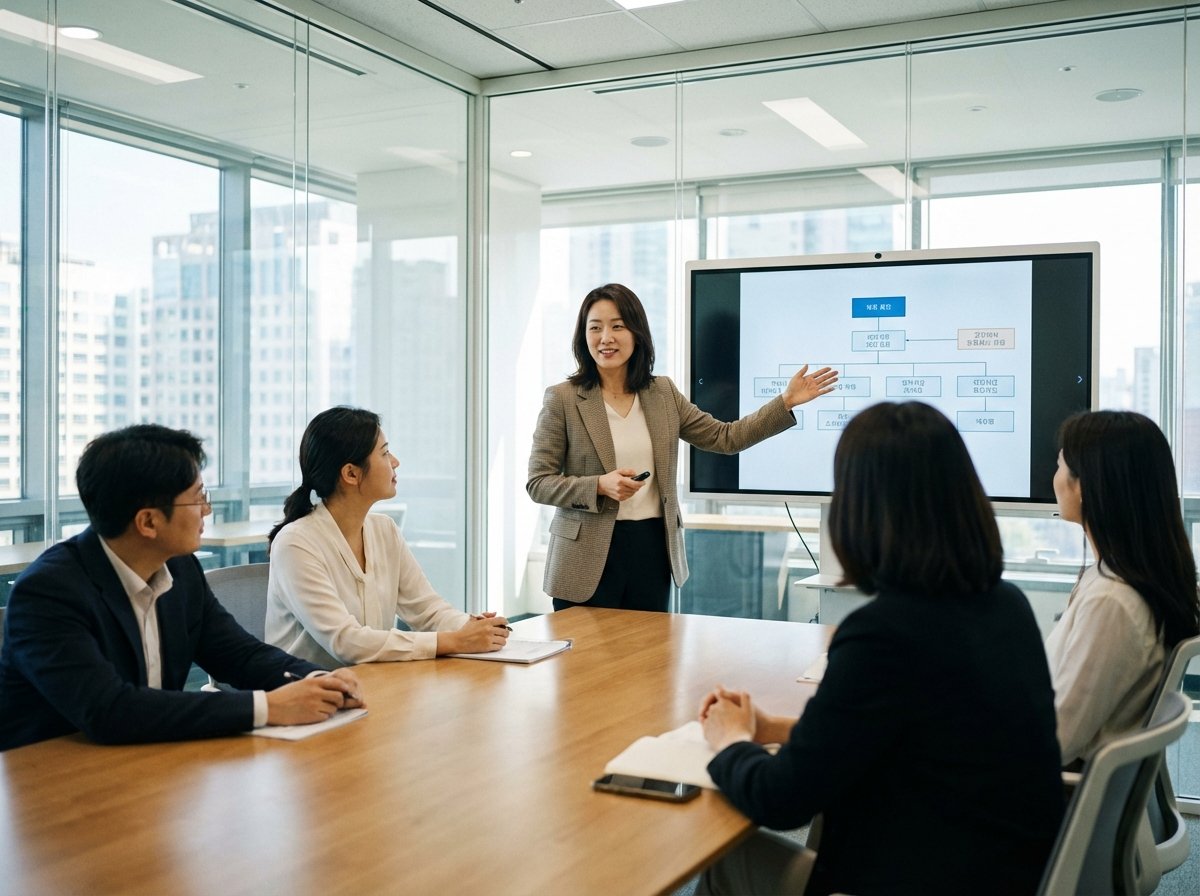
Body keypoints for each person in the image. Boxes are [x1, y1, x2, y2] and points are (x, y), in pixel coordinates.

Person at [696, 402, 1064, 896]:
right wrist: (768, 728)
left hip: (913, 876)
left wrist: (730, 742)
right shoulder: (1007, 606)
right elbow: (901, 738)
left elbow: (781, 801)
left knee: (727, 859)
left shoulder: (883, 635)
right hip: (1005, 870)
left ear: (861, 507)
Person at [0, 424, 363, 752]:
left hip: (152, 762)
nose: (207, 510)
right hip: (54, 784)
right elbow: (109, 710)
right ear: (148, 521)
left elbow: (240, 655)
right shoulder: (48, 594)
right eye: (198, 497)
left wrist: (317, 680)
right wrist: (270, 707)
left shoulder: (179, 569)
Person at [527, 282, 837, 612]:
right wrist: (599, 485)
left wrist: (786, 401)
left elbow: (725, 438)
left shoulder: (661, 393)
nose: (606, 338)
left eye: (617, 326)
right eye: (595, 328)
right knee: (585, 663)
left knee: (649, 660)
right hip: (584, 557)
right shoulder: (562, 398)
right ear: (583, 336)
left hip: (653, 549)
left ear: (637, 333)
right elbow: (538, 482)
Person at [265, 406, 509, 666]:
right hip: (305, 694)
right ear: (351, 473)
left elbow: (427, 610)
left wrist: (473, 627)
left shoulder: (384, 530)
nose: (395, 462)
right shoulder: (296, 543)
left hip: (371, 682)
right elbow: (346, 642)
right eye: (384, 453)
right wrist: (455, 641)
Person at [1046, 410, 1200, 767]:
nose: (1053, 478)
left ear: (1083, 485)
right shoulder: (1133, 579)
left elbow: (1057, 739)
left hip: (1057, 799)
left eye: (1059, 466)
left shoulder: (1111, 600)